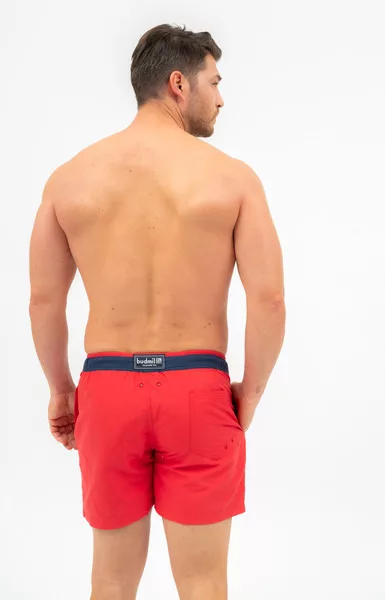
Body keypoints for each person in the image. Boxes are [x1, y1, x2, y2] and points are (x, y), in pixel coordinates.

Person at [28, 23, 286, 600]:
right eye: (214, 82)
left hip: (108, 390)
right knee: (203, 583)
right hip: (198, 387)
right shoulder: (233, 179)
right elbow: (268, 298)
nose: (221, 98)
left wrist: (62, 391)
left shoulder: (68, 180)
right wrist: (249, 394)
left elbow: (44, 300)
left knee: (111, 582)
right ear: (178, 83)